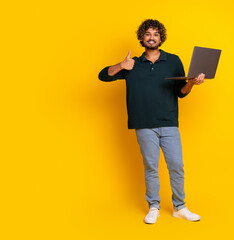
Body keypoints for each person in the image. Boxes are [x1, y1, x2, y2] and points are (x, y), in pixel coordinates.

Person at [98, 19, 205, 224]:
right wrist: (121, 64)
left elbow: (181, 93)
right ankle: (153, 206)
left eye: (156, 34)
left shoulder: (173, 61)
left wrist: (191, 83)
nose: (152, 37)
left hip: (169, 122)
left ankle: (179, 207)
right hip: (144, 123)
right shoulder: (133, 64)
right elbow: (103, 76)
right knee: (151, 167)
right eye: (148, 34)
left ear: (161, 38)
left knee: (176, 165)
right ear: (141, 38)